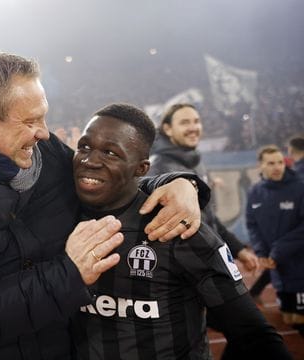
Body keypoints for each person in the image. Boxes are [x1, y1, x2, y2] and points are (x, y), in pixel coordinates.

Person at [0, 51, 208, 359]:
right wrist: (70, 272)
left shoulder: (45, 152)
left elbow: (103, 183)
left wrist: (178, 183)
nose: (43, 132)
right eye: (30, 121)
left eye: (44, 117)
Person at [71, 103, 291, 360]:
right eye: (84, 147)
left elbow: (254, 334)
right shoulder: (61, 215)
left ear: (141, 168)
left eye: (110, 152)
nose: (90, 160)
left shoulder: (177, 229)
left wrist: (236, 247)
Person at [148, 103, 259, 271]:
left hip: (203, 261)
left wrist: (238, 249)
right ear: (168, 129)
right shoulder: (160, 167)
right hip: (184, 271)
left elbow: (207, 217)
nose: (193, 127)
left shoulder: (194, 163)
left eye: (196, 121)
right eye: (185, 122)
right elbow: (177, 227)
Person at [246, 145, 304, 337]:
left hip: (299, 265)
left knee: (300, 320)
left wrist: (277, 251)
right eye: (271, 163)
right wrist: (262, 253)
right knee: (289, 319)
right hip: (277, 268)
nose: (277, 167)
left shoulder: (300, 187)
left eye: (280, 162)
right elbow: (252, 225)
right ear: (260, 166)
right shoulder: (255, 192)